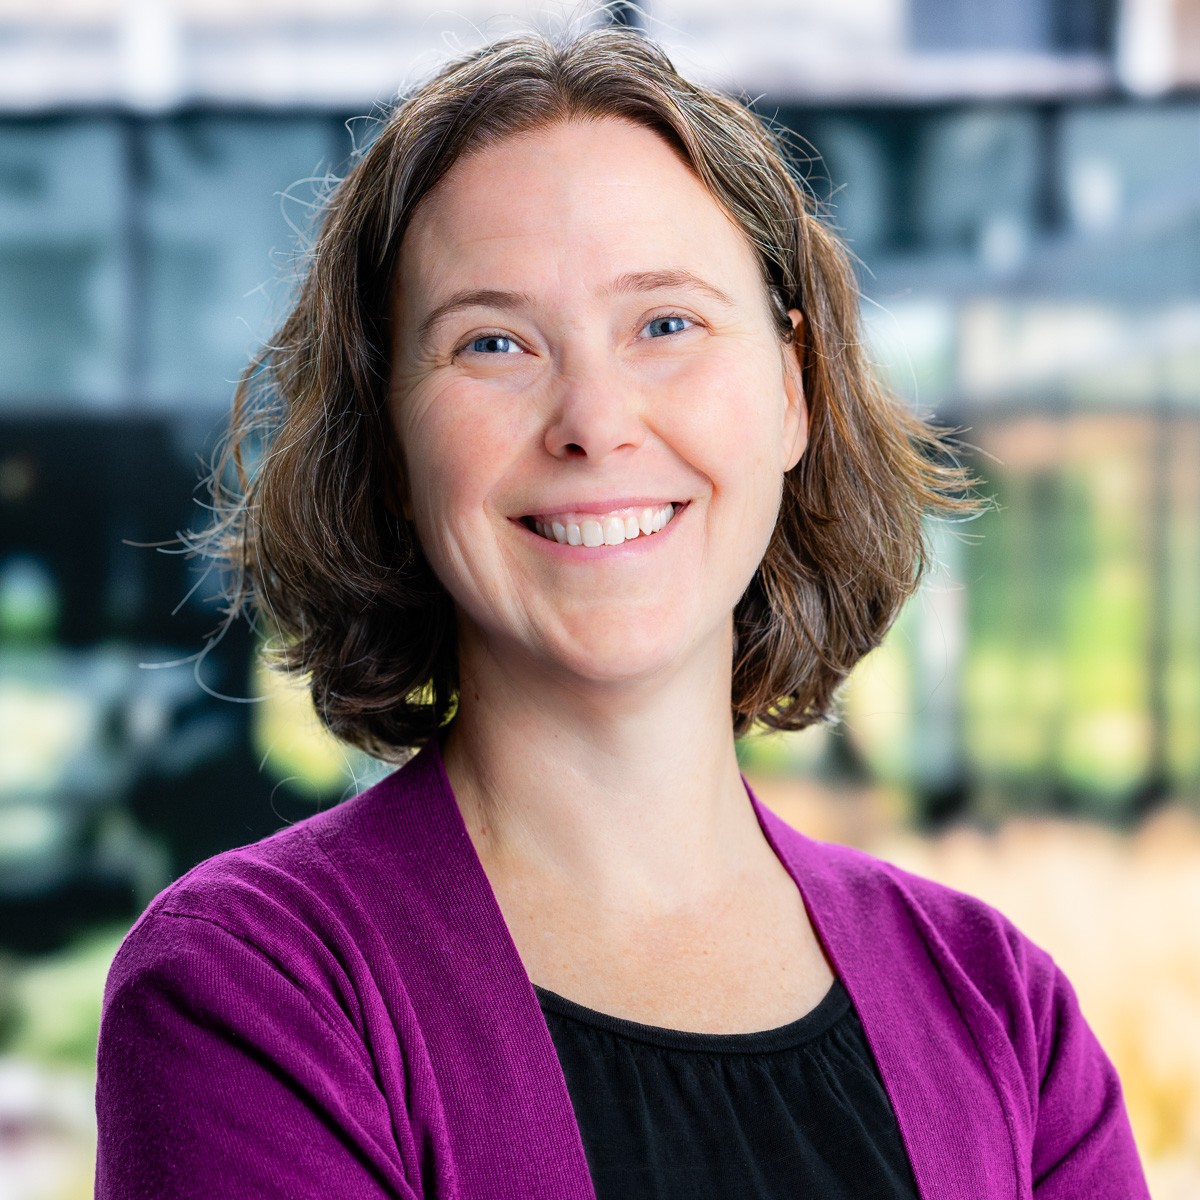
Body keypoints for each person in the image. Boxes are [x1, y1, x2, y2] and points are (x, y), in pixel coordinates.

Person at [94, 24, 1149, 1200]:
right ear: (389, 444)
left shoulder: (1005, 1015)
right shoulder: (256, 993)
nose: (594, 418)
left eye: (667, 324)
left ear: (792, 390)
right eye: (491, 342)